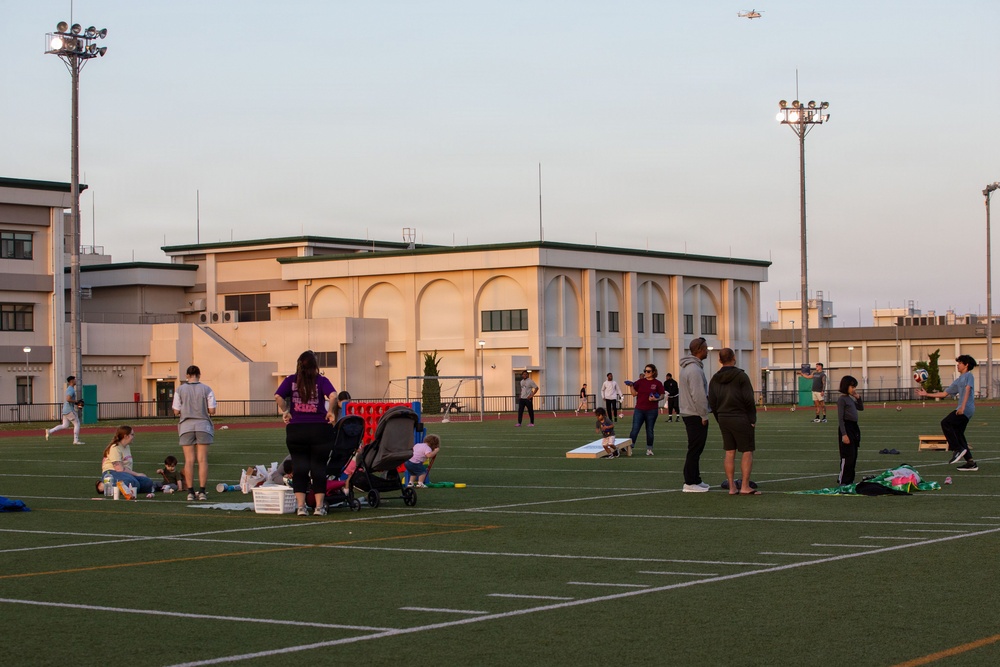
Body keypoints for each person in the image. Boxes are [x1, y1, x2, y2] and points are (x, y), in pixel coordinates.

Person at [275, 350, 340, 515]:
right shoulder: (321, 380)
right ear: (315, 366)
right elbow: (333, 395)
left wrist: (285, 411)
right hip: (319, 428)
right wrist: (331, 411)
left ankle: (301, 507)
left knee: (300, 467)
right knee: (319, 468)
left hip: (297, 429)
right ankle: (319, 507)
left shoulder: (291, 380)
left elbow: (278, 396)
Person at [708, 348, 759, 495]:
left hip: (724, 417)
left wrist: (719, 417)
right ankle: (744, 486)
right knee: (747, 451)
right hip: (740, 416)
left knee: (729, 452)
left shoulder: (715, 378)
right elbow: (749, 399)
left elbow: (712, 401)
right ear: (734, 358)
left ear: (720, 360)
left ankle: (731, 487)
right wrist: (752, 419)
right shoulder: (741, 376)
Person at [917, 355, 979, 471]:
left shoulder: (969, 376)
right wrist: (926, 394)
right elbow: (944, 394)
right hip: (963, 408)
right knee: (958, 433)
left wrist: (962, 407)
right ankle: (970, 462)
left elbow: (968, 390)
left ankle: (957, 449)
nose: (958, 365)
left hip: (966, 409)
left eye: (960, 363)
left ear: (966, 365)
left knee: (946, 423)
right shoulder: (958, 380)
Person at [172, 365, 217, 501]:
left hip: (186, 426)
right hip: (203, 425)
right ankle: (202, 491)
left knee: (189, 460)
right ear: (199, 375)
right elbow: (212, 411)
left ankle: (190, 492)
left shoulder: (179, 390)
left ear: (187, 375)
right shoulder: (207, 389)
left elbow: (176, 411)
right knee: (202, 460)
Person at [679, 337, 711, 492]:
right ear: (699, 349)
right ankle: (690, 482)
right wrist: (704, 415)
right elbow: (698, 395)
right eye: (705, 348)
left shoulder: (689, 368)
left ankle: (696, 479)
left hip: (689, 412)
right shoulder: (694, 370)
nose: (707, 351)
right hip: (694, 414)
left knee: (696, 448)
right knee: (695, 449)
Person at [97, 425, 155, 496]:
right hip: (112, 473)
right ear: (125, 436)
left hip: (125, 474)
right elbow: (119, 469)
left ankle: (122, 487)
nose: (133, 437)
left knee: (147, 482)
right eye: (132, 435)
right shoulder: (115, 448)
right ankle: (105, 486)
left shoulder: (127, 447)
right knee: (133, 484)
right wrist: (137, 474)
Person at [626, 364, 665, 456]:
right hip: (639, 409)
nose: (646, 373)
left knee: (649, 430)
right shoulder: (640, 381)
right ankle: (630, 448)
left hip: (652, 410)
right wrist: (631, 386)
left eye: (648, 371)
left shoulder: (658, 383)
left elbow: (662, 395)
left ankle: (649, 449)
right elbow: (634, 394)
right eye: (645, 371)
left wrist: (656, 399)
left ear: (653, 372)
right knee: (635, 429)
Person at [836, 375, 864, 485]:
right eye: (852, 387)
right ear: (846, 386)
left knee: (853, 456)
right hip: (846, 428)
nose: (854, 389)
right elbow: (840, 418)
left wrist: (858, 397)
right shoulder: (842, 400)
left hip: (853, 428)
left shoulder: (849, 399)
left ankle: (850, 479)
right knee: (847, 456)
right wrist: (844, 434)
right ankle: (843, 480)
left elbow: (861, 408)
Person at [45, 375, 84, 444]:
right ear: (71, 381)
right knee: (77, 423)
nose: (76, 381)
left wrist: (76, 403)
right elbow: (68, 399)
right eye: (75, 380)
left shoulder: (69, 389)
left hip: (65, 410)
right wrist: (76, 401)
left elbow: (69, 400)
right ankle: (76, 440)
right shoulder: (71, 389)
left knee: (65, 425)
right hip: (69, 410)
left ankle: (50, 431)